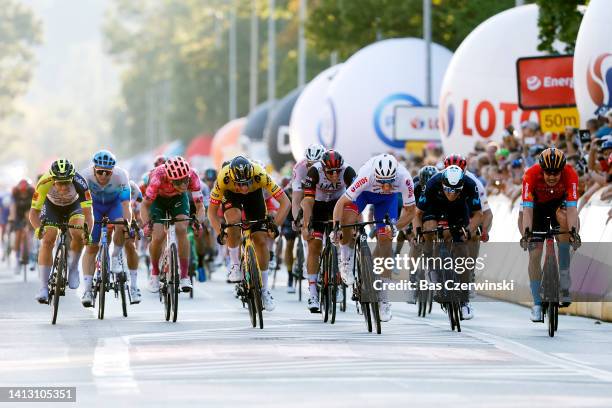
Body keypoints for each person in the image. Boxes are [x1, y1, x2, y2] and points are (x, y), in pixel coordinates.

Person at [332, 154, 416, 322]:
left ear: (395, 177)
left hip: (387, 202)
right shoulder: (366, 175)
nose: (385, 186)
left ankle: (383, 298)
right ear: (375, 175)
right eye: (381, 182)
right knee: (348, 220)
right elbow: (341, 203)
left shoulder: (404, 178)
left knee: (385, 242)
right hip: (364, 195)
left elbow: (410, 211)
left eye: (389, 182)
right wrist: (336, 228)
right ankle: (346, 259)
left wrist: (394, 227)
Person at [207, 156, 290, 312]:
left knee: (260, 239)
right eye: (240, 184)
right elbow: (211, 213)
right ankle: (235, 265)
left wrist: (275, 225)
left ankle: (264, 291)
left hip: (255, 196)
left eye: (247, 183)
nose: (244, 188)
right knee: (233, 220)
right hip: (231, 196)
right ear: (232, 179)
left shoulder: (260, 175)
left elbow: (286, 202)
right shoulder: (224, 178)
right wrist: (220, 232)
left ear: (252, 176)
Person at [413, 165, 483, 320]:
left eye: (456, 190)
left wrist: (469, 230)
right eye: (449, 190)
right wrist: (418, 232)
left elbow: (478, 215)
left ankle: (464, 301)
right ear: (443, 184)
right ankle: (431, 267)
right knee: (430, 229)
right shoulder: (432, 183)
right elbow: (418, 214)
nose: (452, 194)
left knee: (463, 255)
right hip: (434, 208)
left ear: (462, 186)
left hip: (458, 211)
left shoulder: (470, 185)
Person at [520, 148, 581, 322]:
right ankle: (537, 303)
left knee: (565, 230)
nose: (552, 176)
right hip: (537, 209)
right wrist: (527, 233)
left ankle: (563, 274)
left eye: (556, 173)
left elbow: (572, 209)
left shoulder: (570, 174)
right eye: (548, 173)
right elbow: (527, 211)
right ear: (541, 169)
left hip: (559, 207)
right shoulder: (530, 175)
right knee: (535, 254)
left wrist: (573, 233)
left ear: (562, 169)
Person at [29, 159, 94, 303]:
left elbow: (88, 214)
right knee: (48, 239)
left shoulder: (80, 183)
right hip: (51, 207)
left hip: (74, 206)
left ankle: (73, 267)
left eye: (66, 183)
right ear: (52, 179)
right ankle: (43, 288)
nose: (64, 187)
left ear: (72, 178)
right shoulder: (44, 182)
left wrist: (87, 233)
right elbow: (33, 213)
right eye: (59, 183)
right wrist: (38, 229)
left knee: (77, 233)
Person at [301, 150, 357, 312]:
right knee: (314, 246)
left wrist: (353, 224)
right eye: (330, 172)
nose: (334, 175)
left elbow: (356, 199)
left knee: (343, 234)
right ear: (323, 167)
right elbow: (308, 202)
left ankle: (339, 276)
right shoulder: (314, 171)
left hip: (338, 204)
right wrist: (306, 226)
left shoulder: (348, 171)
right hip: (317, 205)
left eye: (336, 172)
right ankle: (312, 293)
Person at [142, 156, 206, 293]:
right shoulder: (157, 177)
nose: (184, 185)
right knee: (158, 236)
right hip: (158, 200)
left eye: (185, 180)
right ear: (169, 179)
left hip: (178, 199)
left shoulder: (192, 176)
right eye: (179, 182)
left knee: (182, 229)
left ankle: (184, 275)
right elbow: (145, 205)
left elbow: (200, 207)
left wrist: (198, 222)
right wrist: (146, 224)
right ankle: (154, 272)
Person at [80, 150, 134, 307]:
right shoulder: (85, 176)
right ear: (94, 169)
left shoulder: (121, 175)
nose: (103, 175)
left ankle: (116, 255)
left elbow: (126, 205)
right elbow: (79, 205)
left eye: (107, 172)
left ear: (113, 171)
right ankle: (88, 290)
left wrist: (127, 224)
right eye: (100, 172)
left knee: (120, 223)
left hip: (114, 205)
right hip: (93, 208)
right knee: (91, 248)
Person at [8, 179, 35, 267]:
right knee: (18, 235)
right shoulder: (15, 194)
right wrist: (12, 218)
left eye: (25, 192)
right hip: (18, 215)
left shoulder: (32, 192)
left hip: (29, 213)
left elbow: (35, 206)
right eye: (21, 192)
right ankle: (16, 258)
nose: (23, 194)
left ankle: (31, 256)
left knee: (28, 233)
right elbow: (13, 207)